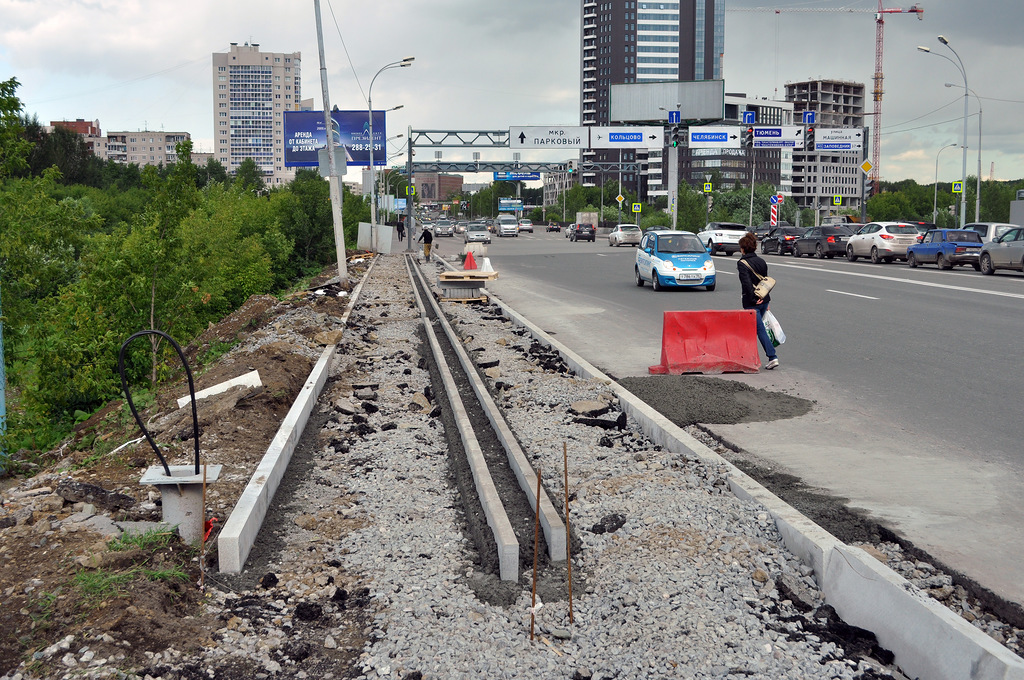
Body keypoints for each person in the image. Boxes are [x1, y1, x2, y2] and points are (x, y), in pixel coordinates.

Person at [737, 232, 779, 370]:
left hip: (752, 302)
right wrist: (765, 301)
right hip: (764, 300)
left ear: (743, 248)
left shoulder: (742, 263)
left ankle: (772, 357)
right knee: (752, 329)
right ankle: (745, 356)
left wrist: (754, 299)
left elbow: (747, 284)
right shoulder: (761, 261)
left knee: (759, 330)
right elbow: (765, 282)